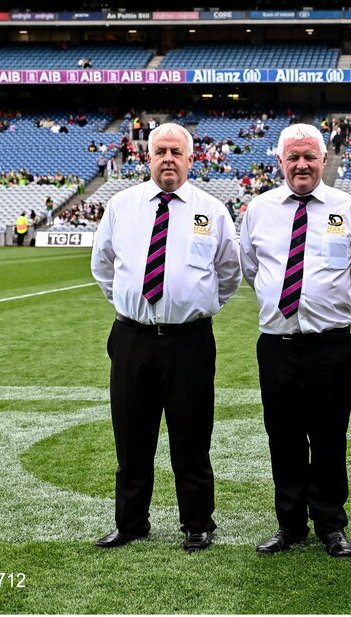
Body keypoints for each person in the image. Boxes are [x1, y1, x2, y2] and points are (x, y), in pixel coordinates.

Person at [90, 123, 241, 553]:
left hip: (189, 341)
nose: (168, 158)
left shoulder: (210, 209)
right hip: (132, 337)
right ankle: (131, 522)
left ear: (192, 160)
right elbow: (103, 265)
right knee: (131, 437)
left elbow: (228, 273)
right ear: (148, 157)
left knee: (192, 437)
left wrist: (194, 305)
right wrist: (131, 304)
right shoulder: (122, 205)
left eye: (177, 151)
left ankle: (198, 523)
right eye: (161, 151)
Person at [240, 124, 351, 558]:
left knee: (331, 437)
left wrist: (325, 307)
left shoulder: (350, 209)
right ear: (280, 161)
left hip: (329, 345)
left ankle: (332, 524)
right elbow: (250, 269)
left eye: (310, 157)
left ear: (324, 160)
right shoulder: (258, 210)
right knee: (283, 437)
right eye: (293, 157)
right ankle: (290, 524)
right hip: (276, 343)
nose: (302, 165)